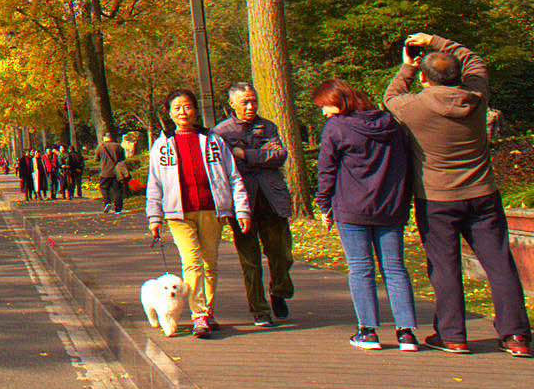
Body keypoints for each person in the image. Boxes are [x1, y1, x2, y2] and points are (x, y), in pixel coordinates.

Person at [384, 33, 530, 357]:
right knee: (499, 264)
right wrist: (435, 41)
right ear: (459, 76)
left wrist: (407, 67)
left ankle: (452, 335)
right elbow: (475, 60)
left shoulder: (413, 106)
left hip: (436, 198)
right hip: (483, 193)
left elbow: (390, 96)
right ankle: (516, 335)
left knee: (444, 266)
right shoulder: (476, 97)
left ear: (424, 78)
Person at [314, 77, 419, 351]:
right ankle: (406, 332)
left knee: (361, 269)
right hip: (390, 207)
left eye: (324, 106)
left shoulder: (336, 127)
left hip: (351, 208)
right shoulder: (392, 124)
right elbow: (405, 164)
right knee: (395, 269)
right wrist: (404, 200)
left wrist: (323, 204)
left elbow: (326, 170)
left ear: (336, 102)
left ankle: (368, 331)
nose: (323, 112)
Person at [145, 88, 251, 338]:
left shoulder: (214, 141)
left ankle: (208, 310)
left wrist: (242, 209)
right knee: (192, 263)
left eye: (187, 106)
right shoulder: (162, 145)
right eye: (177, 108)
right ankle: (199, 314)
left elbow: (233, 176)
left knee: (210, 263)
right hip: (178, 214)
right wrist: (154, 216)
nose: (183, 112)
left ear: (195, 110)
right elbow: (154, 183)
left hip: (212, 210)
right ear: (170, 113)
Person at [214, 82, 296, 327]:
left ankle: (279, 291)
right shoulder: (220, 132)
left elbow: (278, 155)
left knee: (281, 254)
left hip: (272, 201)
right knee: (250, 261)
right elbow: (224, 167)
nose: (250, 106)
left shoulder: (268, 126)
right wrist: (259, 156)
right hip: (243, 204)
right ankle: (259, 308)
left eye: (253, 101)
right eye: (244, 102)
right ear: (232, 104)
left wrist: (245, 155)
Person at [95, 132, 126, 213]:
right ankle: (118, 208)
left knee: (103, 187)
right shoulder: (118, 146)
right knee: (117, 190)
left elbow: (96, 159)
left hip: (105, 172)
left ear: (104, 137)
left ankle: (107, 202)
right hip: (116, 172)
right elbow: (123, 158)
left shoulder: (100, 147)